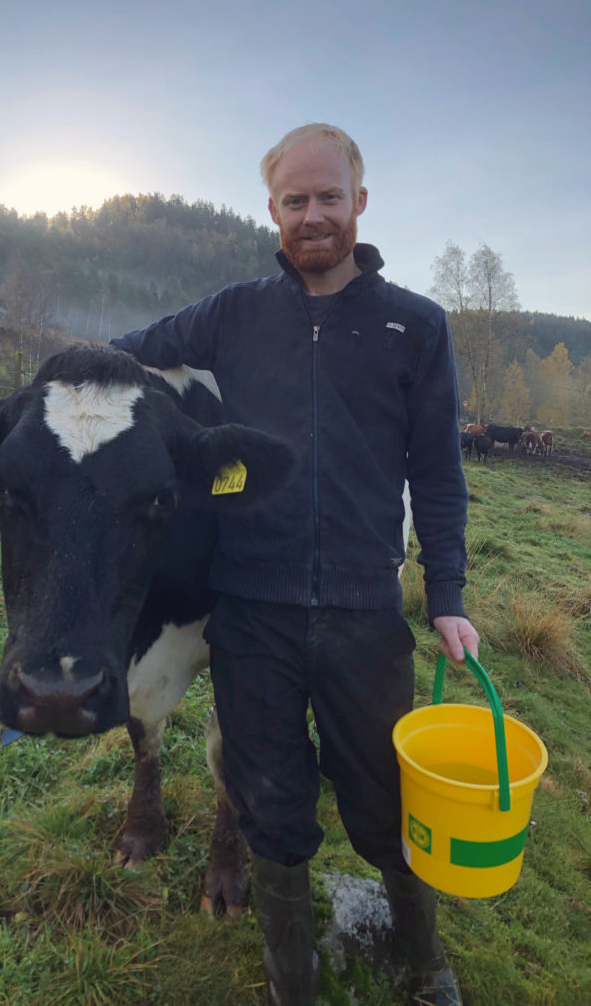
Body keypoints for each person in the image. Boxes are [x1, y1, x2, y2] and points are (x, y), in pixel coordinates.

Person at [111, 123, 478, 1006]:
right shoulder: (233, 313)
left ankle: (423, 967)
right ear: (271, 209)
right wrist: (53, 388)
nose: (311, 216)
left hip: (363, 612)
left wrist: (449, 596)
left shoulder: (415, 328)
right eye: (293, 201)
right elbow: (131, 347)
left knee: (385, 806)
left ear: (360, 199)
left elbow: (436, 471)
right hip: (254, 611)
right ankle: (292, 985)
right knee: (270, 807)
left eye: (327, 197)